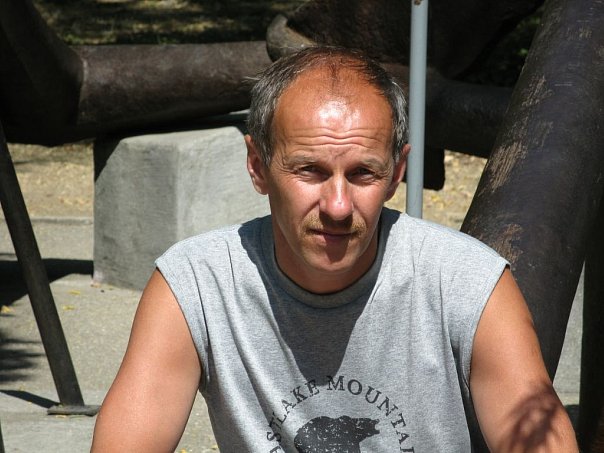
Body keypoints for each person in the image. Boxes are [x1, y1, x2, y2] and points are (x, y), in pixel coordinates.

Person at [91, 47, 577, 452]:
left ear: (397, 173)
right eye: (310, 171)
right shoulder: (196, 285)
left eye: (363, 173)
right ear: (257, 167)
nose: (339, 206)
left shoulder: (470, 284)